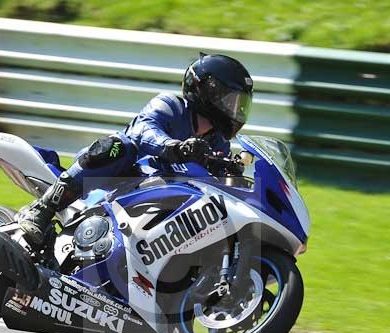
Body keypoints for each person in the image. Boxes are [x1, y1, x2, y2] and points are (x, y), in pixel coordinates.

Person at [18, 53, 254, 248]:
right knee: (120, 147)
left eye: (241, 104)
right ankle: (41, 210)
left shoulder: (217, 142)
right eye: (231, 101)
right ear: (208, 90)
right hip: (116, 182)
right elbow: (144, 129)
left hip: (161, 204)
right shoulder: (170, 106)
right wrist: (173, 147)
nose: (236, 110)